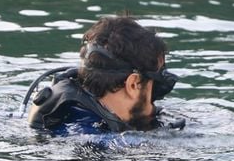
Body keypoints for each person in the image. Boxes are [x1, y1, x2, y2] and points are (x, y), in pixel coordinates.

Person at [24, 15, 181, 135]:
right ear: (133, 84)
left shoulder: (63, 116)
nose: (152, 107)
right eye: (153, 89)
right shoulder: (98, 141)